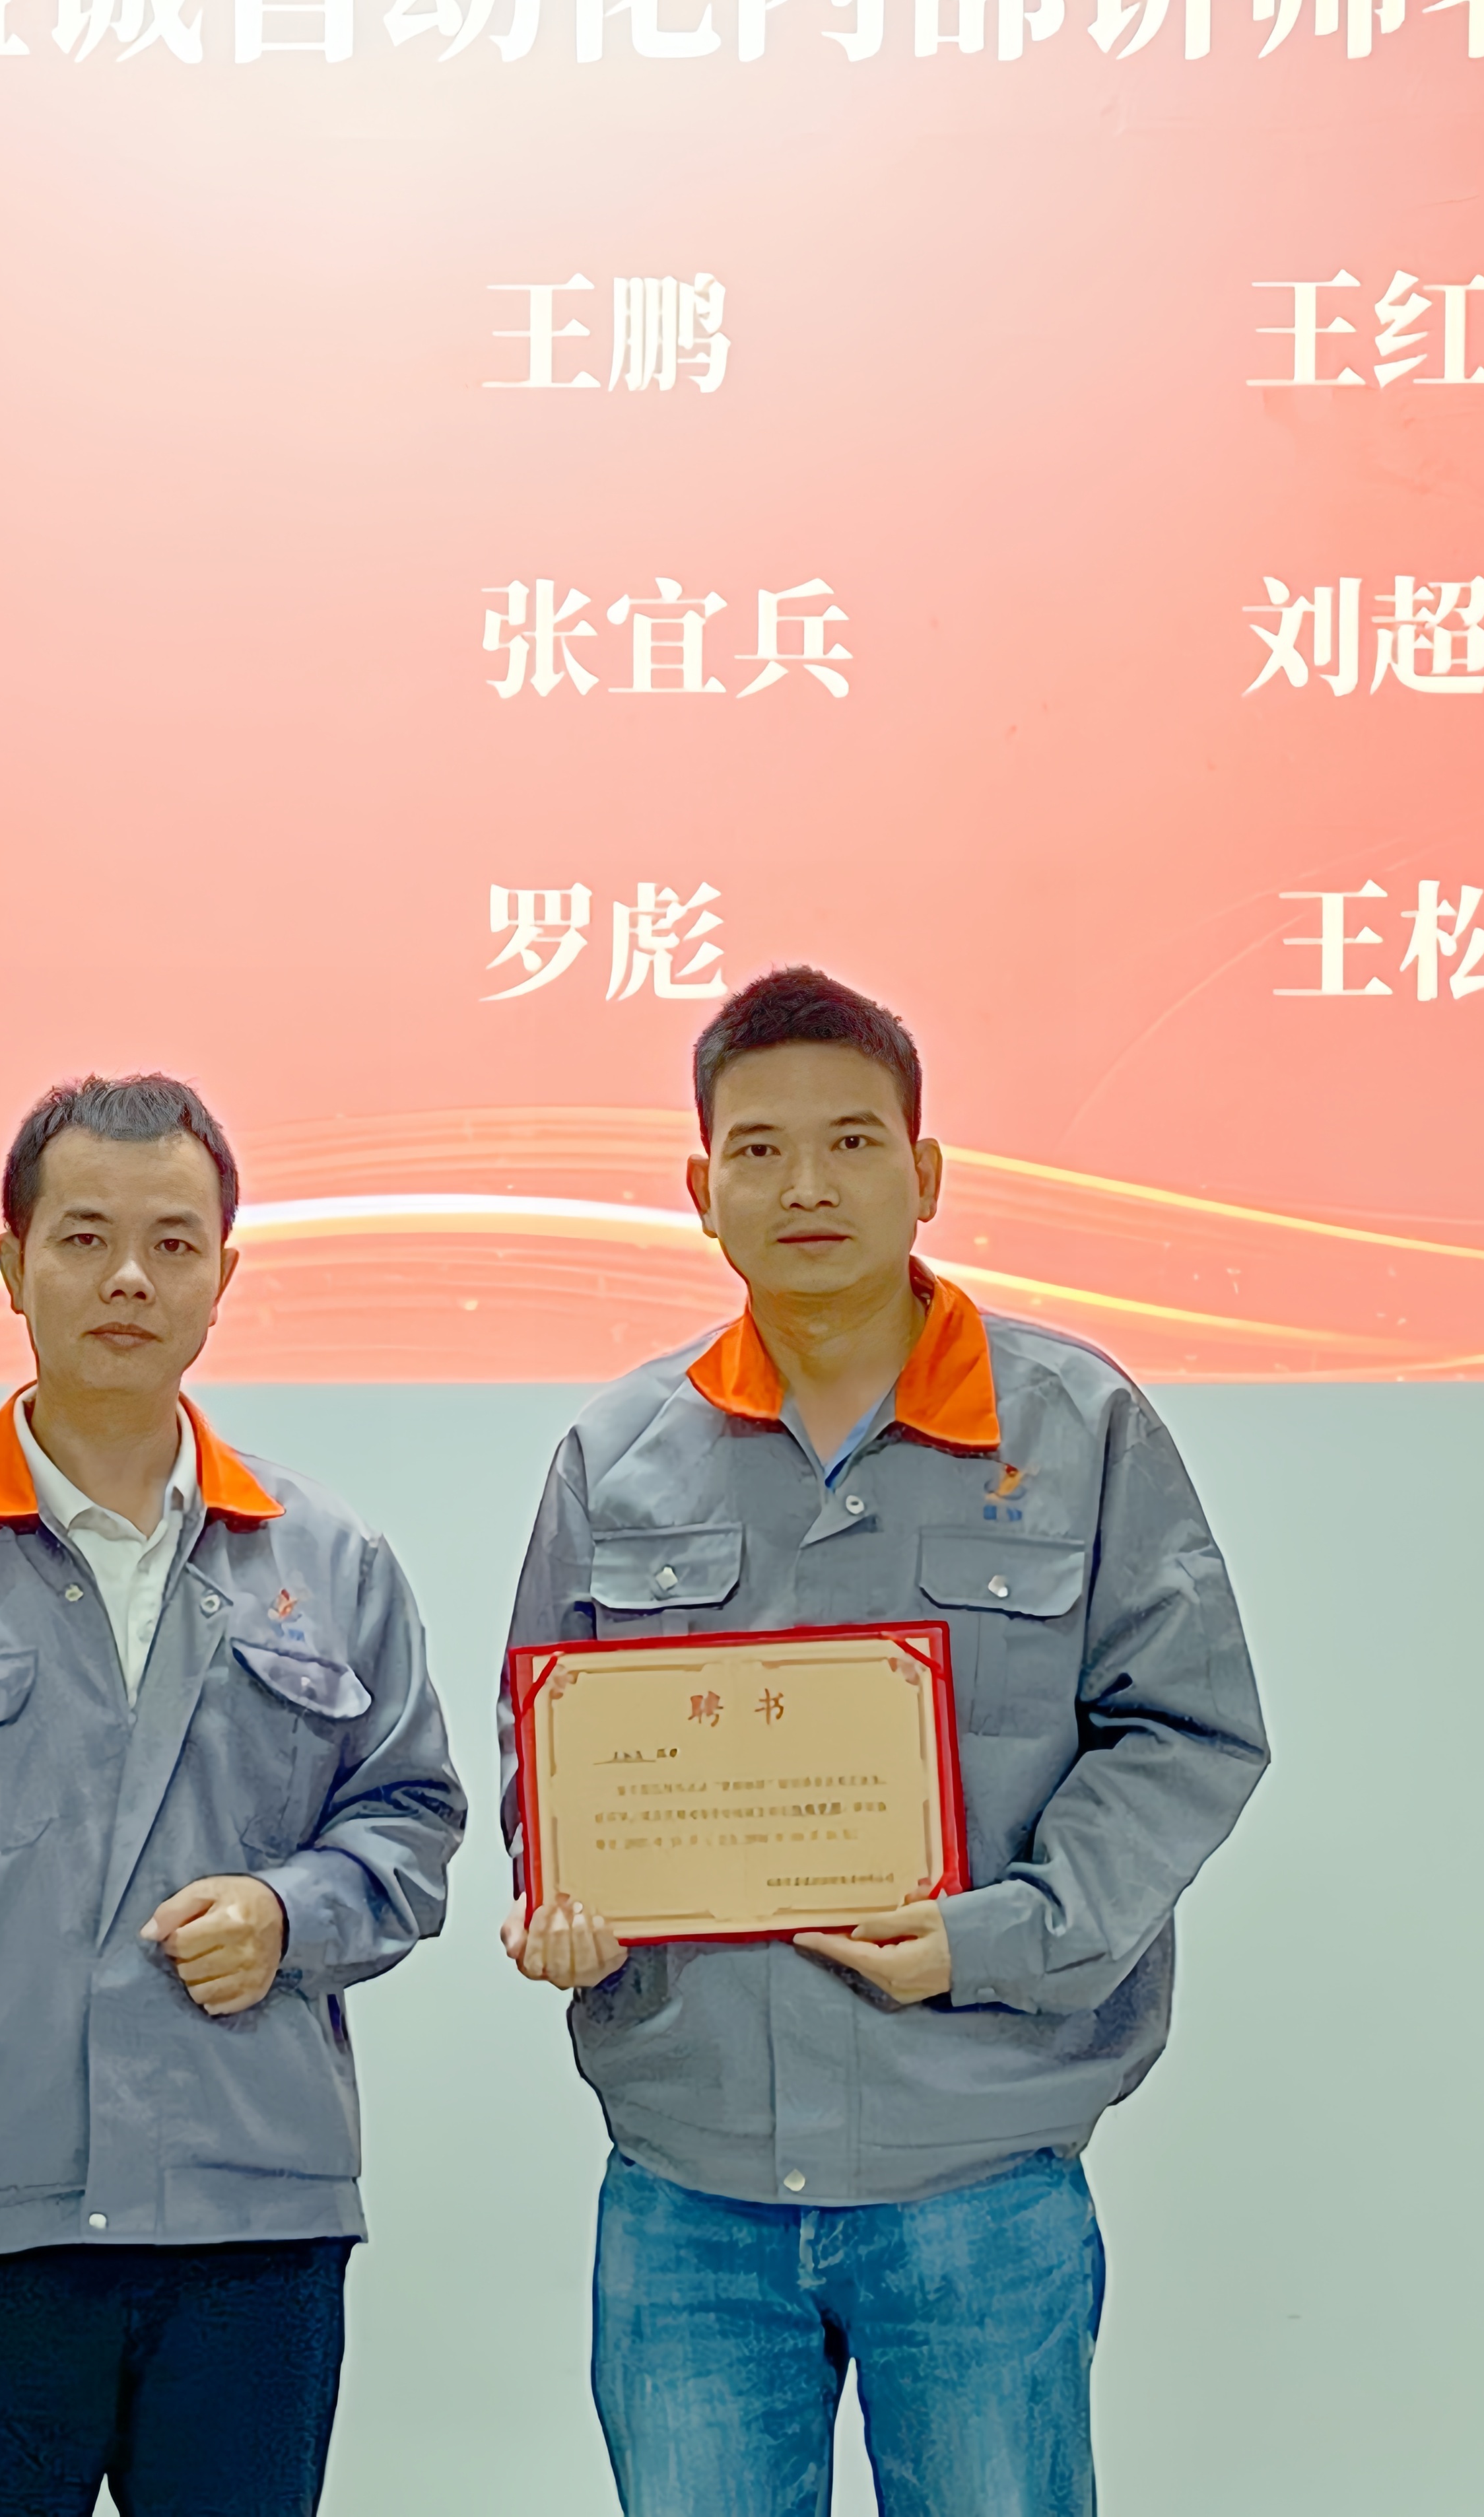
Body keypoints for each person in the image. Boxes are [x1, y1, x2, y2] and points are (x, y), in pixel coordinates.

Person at [499, 967, 1270, 2516]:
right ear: (701, 1191)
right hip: (690, 2181)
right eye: (760, 1150)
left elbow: (1185, 1733)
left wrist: (998, 1936)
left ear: (923, 1176)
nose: (806, 1186)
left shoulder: (1076, 1427)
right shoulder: (617, 1454)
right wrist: (569, 1907)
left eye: (851, 1144)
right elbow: (552, 1755)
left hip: (976, 2173)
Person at [0, 1074, 465, 2517]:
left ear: (222, 1277)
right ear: (13, 1266)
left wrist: (292, 1913)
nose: (130, 1278)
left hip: (251, 2228)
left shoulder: (330, 1561)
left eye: (172, 1244)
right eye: (84, 1239)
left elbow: (412, 1819)